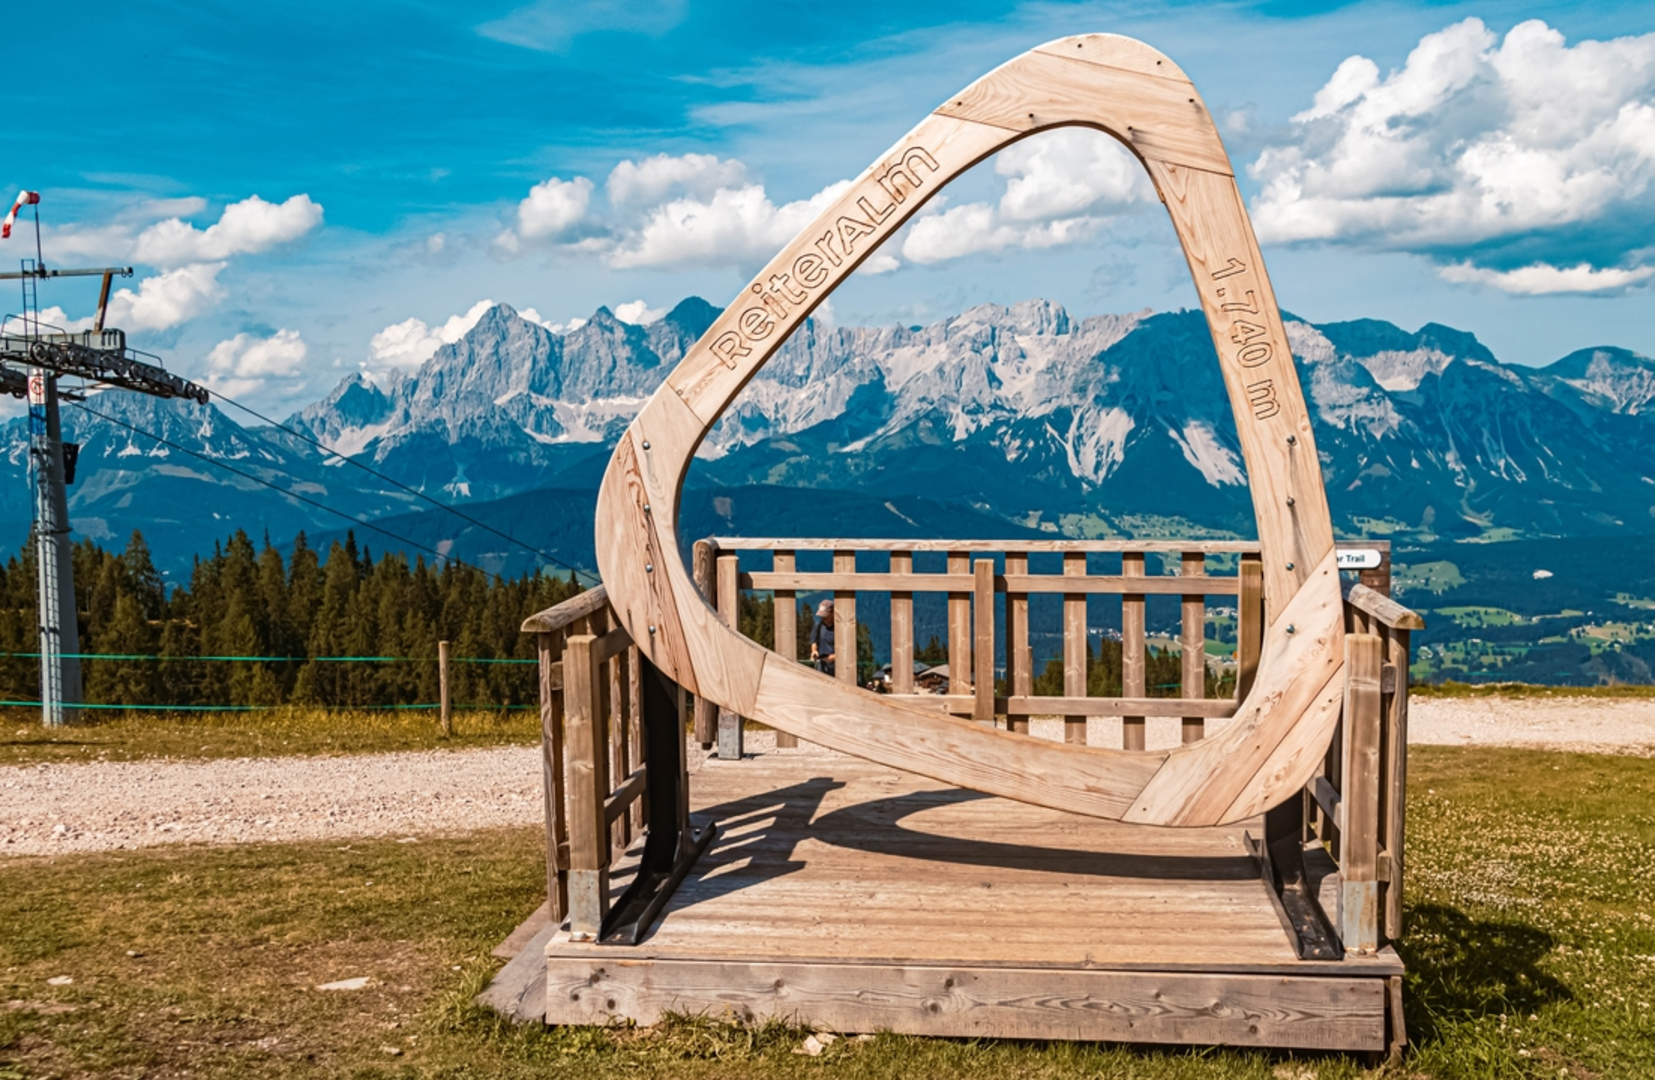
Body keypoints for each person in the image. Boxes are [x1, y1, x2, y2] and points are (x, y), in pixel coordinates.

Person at [809, 599, 835, 677]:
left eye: (826, 616)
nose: (823, 618)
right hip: (822, 664)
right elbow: (813, 641)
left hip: (836, 666)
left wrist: (831, 658)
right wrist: (814, 651)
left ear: (832, 613)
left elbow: (846, 650)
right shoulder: (818, 625)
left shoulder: (839, 628)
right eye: (822, 616)